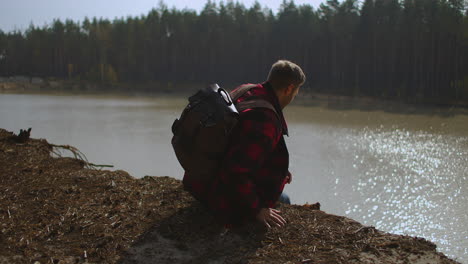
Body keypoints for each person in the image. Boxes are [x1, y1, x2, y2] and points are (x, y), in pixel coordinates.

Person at [183, 60, 306, 228]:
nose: (294, 96)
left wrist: (279, 170)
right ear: (289, 89)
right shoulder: (265, 120)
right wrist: (257, 210)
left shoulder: (247, 90)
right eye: (296, 91)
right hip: (217, 192)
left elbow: (236, 141)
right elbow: (236, 172)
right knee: (284, 200)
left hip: (202, 178)